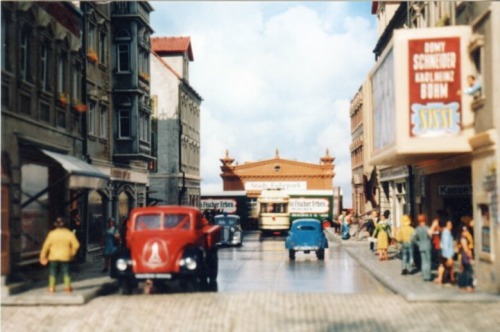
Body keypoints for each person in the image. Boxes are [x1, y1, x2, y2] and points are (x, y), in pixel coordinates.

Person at [39, 217, 80, 293]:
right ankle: (67, 287)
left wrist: (42, 256)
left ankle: (51, 287)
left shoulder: (52, 234)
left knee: (52, 271)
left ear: (55, 224)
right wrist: (72, 253)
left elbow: (45, 246)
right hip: (65, 256)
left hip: (53, 256)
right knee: (66, 271)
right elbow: (76, 245)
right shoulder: (69, 234)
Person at [412, 214, 433, 281]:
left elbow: (412, 238)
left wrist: (418, 243)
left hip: (421, 247)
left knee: (423, 262)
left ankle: (424, 275)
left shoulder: (417, 229)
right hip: (427, 246)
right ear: (425, 220)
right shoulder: (427, 228)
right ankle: (427, 276)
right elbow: (431, 235)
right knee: (428, 261)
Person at [435, 220, 455, 285]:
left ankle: (443, 278)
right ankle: (450, 279)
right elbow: (446, 245)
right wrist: (448, 256)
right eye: (449, 224)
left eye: (451, 224)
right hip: (446, 253)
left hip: (446, 252)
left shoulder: (448, 232)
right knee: (446, 265)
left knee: (443, 265)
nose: (451, 226)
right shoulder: (446, 233)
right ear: (446, 225)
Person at [457, 227, 474, 292]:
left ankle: (462, 285)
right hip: (465, 257)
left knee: (464, 271)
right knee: (468, 271)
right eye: (465, 231)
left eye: (467, 230)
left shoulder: (464, 238)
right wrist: (470, 256)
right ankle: (467, 285)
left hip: (463, 256)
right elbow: (465, 249)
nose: (466, 232)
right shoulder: (463, 239)